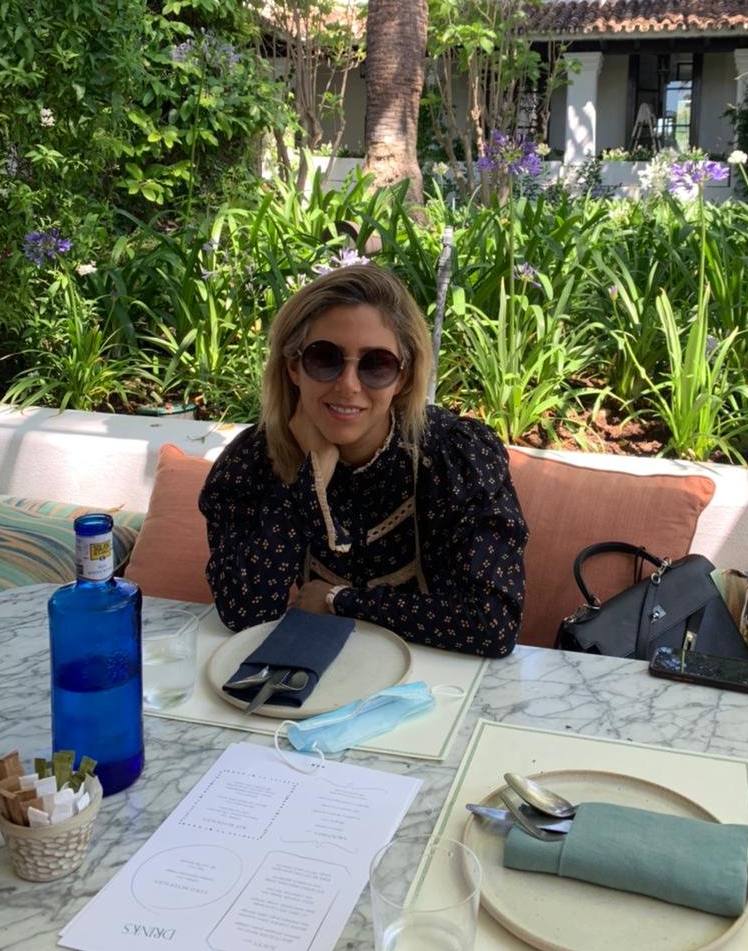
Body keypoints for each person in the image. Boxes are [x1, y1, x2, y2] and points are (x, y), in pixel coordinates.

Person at [200, 264, 528, 657]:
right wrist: (306, 480)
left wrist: (338, 601)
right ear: (293, 368)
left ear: (402, 378)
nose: (348, 385)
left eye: (377, 364)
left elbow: (492, 623)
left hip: (438, 681)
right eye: (325, 359)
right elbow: (244, 610)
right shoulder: (254, 459)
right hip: (310, 675)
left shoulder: (451, 457)